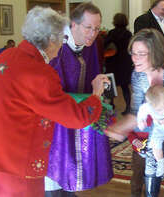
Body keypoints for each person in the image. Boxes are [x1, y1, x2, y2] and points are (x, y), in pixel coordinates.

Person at [0, 6, 109, 196]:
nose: (62, 44)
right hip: (23, 168)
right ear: (52, 40)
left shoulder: (1, 59)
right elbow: (77, 117)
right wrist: (96, 95)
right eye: (62, 38)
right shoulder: (39, 73)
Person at [105, 29, 164, 197]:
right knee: (152, 167)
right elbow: (136, 110)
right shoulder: (138, 75)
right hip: (159, 127)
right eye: (133, 53)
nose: (135, 58)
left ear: (155, 53)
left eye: (141, 54)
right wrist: (121, 127)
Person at [44, 3, 112, 195]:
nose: (92, 33)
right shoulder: (55, 45)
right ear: (73, 24)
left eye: (97, 29)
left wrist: (99, 88)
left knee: (73, 167)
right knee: (55, 167)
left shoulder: (90, 44)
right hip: (56, 115)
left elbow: (92, 73)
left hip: (78, 111)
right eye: (88, 27)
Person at [103, 13, 133, 115]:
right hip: (125, 64)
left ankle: (111, 105)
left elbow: (105, 45)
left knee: (111, 85)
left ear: (114, 21)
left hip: (113, 63)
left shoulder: (111, 33)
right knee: (125, 88)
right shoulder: (128, 34)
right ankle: (128, 107)